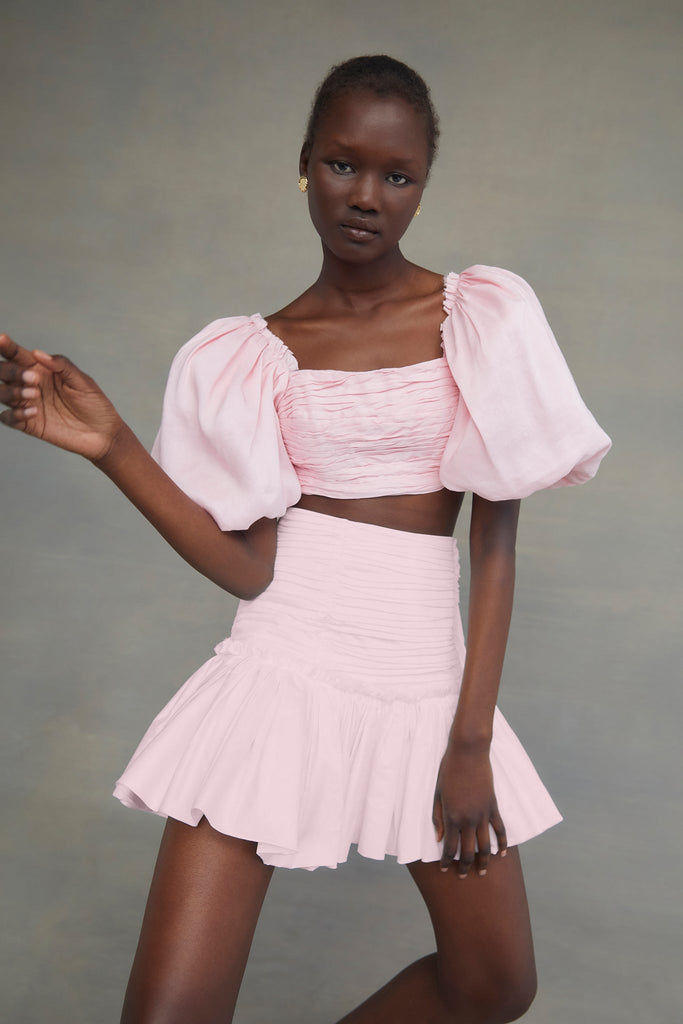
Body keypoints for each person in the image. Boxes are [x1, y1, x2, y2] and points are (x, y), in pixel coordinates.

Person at [0, 55, 610, 1024]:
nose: (365, 195)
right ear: (303, 166)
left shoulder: (480, 318)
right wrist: (114, 447)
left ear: (421, 188)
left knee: (492, 981)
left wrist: (468, 741)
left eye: (396, 175)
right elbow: (248, 567)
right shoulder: (249, 353)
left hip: (425, 687)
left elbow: (493, 547)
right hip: (279, 667)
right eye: (341, 164)